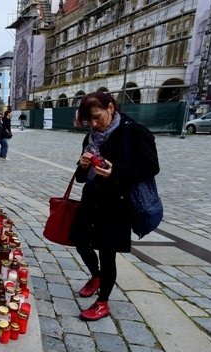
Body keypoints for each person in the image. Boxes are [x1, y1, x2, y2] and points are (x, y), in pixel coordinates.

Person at [69, 92, 159, 321]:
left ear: (111, 107)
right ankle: (96, 276)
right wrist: (82, 165)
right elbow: (81, 177)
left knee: (108, 254)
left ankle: (103, 303)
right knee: (80, 243)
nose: (94, 124)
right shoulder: (90, 137)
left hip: (116, 204)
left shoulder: (133, 131)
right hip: (91, 199)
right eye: (89, 121)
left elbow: (151, 168)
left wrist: (115, 171)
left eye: (97, 117)